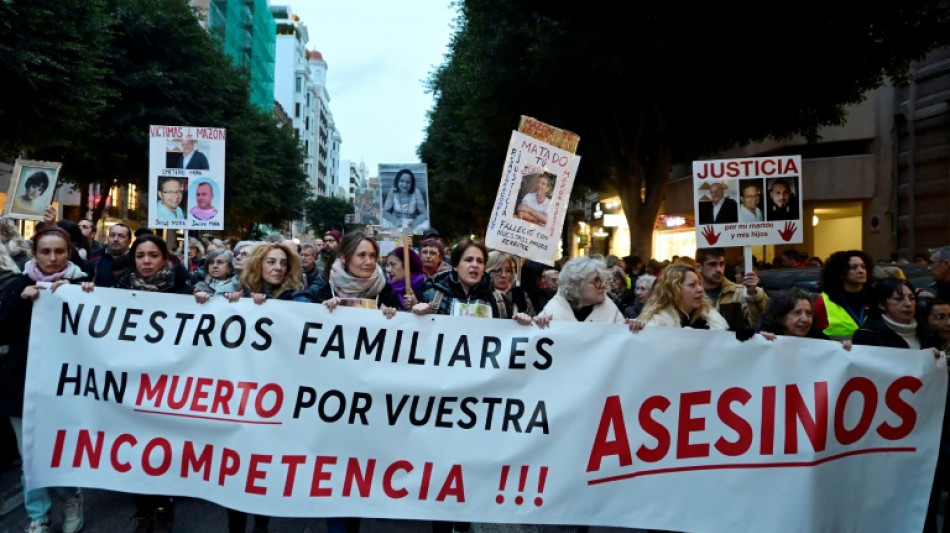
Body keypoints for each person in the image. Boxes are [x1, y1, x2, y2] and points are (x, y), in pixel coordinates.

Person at [0, 227, 89, 533]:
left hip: (69, 387)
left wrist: (81, 295)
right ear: (34, 254)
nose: (52, 258)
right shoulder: (18, 285)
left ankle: (71, 498)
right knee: (31, 458)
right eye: (45, 252)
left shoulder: (85, 284)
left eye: (60, 252)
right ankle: (38, 515)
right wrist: (21, 300)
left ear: (70, 252)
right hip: (23, 387)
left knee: (63, 452)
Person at [534, 256, 625, 326]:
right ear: (577, 285)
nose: (603, 285)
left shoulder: (611, 311)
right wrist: (531, 324)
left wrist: (633, 328)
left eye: (603, 280)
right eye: (597, 281)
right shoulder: (552, 311)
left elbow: (625, 342)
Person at [636, 263, 730, 330]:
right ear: (674, 290)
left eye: (699, 284)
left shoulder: (711, 320)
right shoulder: (654, 324)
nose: (700, 289)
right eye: (692, 285)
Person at [695, 247, 767, 331]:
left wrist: (753, 295)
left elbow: (758, 324)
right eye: (712, 264)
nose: (719, 269)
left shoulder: (739, 292)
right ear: (699, 267)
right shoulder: (693, 295)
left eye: (722, 264)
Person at [813, 250, 874, 341]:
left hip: (873, 353)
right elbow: (816, 334)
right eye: (854, 267)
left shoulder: (876, 297)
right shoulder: (824, 300)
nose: (861, 271)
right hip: (839, 353)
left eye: (863, 267)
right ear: (840, 273)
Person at [225, 242, 305, 304]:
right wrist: (236, 302)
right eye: (271, 262)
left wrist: (268, 302)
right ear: (257, 265)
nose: (279, 268)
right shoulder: (244, 291)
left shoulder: (296, 295)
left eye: (283, 263)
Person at [486, 250, 536, 320]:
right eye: (497, 270)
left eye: (508, 271)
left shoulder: (520, 295)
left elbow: (533, 323)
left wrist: (524, 310)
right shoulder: (480, 294)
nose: (503, 275)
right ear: (487, 272)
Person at [91, 222, 132, 287]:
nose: (115, 239)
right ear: (108, 238)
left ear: (129, 241)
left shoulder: (135, 262)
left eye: (121, 236)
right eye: (112, 235)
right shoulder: (94, 258)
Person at [385, 246, 426, 310]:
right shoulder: (386, 290)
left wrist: (416, 305)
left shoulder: (426, 289)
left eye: (393, 264)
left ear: (408, 266)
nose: (388, 270)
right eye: (387, 265)